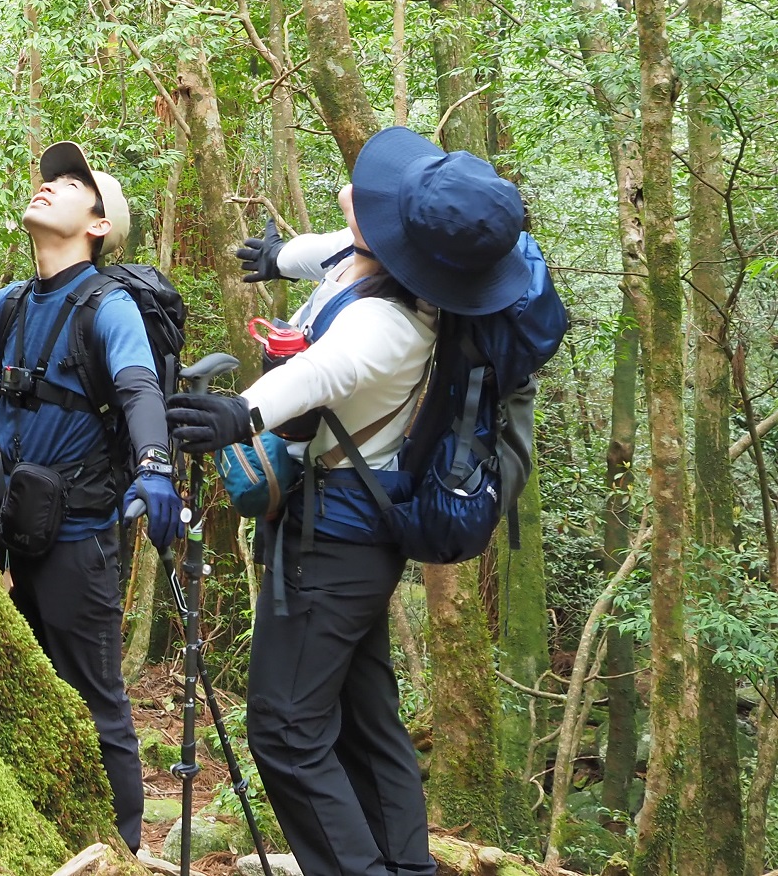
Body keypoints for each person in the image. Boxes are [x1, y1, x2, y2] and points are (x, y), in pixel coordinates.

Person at [167, 127, 535, 876]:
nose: (363, 196)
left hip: (331, 548)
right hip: (351, 541)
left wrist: (240, 415)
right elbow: (319, 249)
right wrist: (274, 256)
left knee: (285, 730)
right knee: (367, 725)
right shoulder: (371, 263)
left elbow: (324, 373)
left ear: (403, 245)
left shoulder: (391, 322)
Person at [0, 141, 184, 854]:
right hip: (9, 529)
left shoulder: (106, 306)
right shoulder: (15, 303)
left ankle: (128, 848)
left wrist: (154, 463)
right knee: (23, 687)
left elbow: (139, 384)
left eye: (73, 183)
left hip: (78, 540)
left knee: (96, 697)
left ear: (99, 224)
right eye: (49, 178)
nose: (49, 187)